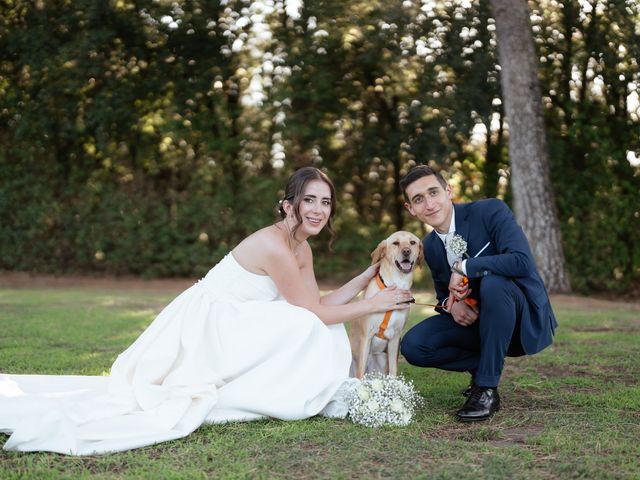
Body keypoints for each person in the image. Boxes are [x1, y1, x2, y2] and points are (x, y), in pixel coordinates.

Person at [0, 167, 412, 455]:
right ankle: (283, 393)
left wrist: (367, 278)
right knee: (308, 327)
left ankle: (289, 389)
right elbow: (311, 314)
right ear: (289, 205)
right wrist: (373, 304)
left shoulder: (300, 246)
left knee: (312, 326)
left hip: (242, 318)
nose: (319, 210)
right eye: (310, 200)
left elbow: (317, 305)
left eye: (325, 202)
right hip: (212, 322)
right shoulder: (274, 243)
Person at [398, 165, 557, 422]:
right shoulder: (429, 246)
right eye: (418, 199)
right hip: (477, 325)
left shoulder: (489, 210)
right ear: (411, 209)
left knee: (494, 283)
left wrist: (464, 267)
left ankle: (486, 388)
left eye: (433, 192)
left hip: (518, 318)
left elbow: (521, 262)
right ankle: (482, 365)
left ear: (448, 191)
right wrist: (451, 305)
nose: (429, 204)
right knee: (414, 346)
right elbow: (443, 292)